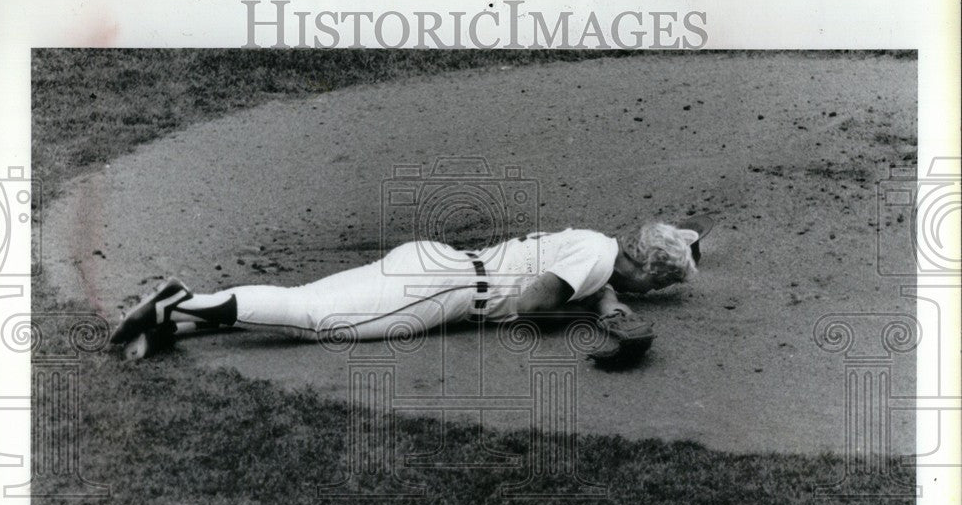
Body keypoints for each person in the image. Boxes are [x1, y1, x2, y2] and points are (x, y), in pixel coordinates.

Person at [109, 216, 713, 360]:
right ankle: (182, 300)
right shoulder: (595, 265)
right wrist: (591, 311)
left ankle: (172, 323)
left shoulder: (593, 243)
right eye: (662, 285)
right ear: (650, 274)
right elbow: (531, 304)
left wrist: (602, 298)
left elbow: (579, 279)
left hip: (431, 262)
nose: (657, 294)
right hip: (443, 290)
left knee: (308, 299)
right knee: (314, 318)